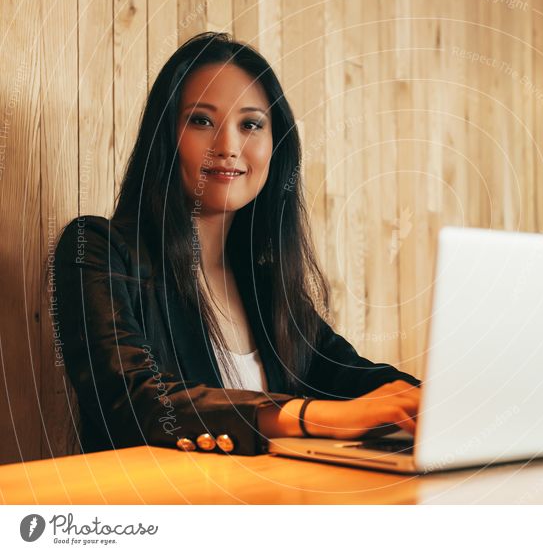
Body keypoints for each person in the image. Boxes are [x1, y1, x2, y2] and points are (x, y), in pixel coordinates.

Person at [52, 32, 421, 456]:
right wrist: (307, 416)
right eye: (201, 121)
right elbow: (135, 401)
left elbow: (350, 377)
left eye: (250, 124)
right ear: (165, 138)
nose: (228, 147)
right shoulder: (94, 248)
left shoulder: (263, 282)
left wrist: (435, 401)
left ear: (274, 146)